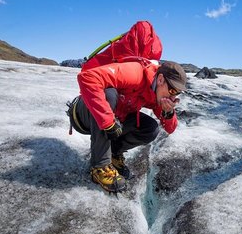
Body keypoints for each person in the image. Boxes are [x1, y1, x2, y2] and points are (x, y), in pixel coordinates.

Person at [67, 60, 187, 193]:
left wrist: (168, 112)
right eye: (172, 90)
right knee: (109, 94)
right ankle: (100, 166)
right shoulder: (135, 73)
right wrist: (107, 122)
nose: (173, 96)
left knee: (150, 128)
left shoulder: (157, 93)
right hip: (83, 114)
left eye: (177, 93)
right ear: (160, 79)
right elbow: (87, 77)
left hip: (115, 119)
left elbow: (170, 128)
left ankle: (113, 153)